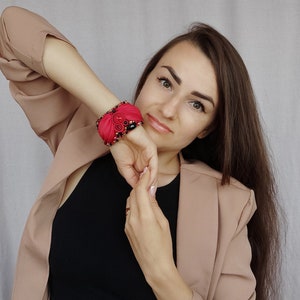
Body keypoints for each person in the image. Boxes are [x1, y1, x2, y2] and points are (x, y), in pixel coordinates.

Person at [0, 5, 280, 300]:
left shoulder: (230, 203)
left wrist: (160, 270)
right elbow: (11, 30)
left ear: (207, 129)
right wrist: (115, 116)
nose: (168, 109)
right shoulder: (80, 136)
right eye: (165, 82)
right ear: (146, 78)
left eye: (196, 104)